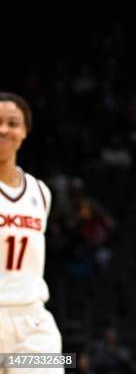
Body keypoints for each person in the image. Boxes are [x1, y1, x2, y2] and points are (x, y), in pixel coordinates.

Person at [0, 92, 63, 373]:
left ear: (24, 131)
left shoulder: (40, 192)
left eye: (12, 123)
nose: (4, 129)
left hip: (32, 321)